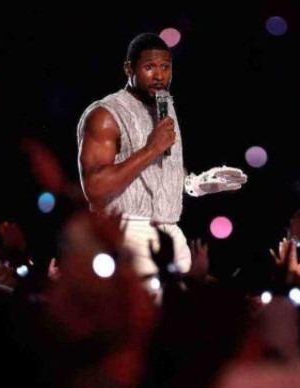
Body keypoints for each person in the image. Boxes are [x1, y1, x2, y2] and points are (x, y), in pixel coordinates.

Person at [77, 32, 247, 286]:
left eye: (165, 67)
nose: (159, 76)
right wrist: (149, 149)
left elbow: (162, 171)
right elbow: (94, 189)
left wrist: (199, 183)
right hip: (126, 230)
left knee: (195, 312)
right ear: (128, 68)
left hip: (171, 230)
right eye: (149, 67)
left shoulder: (164, 105)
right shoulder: (105, 115)